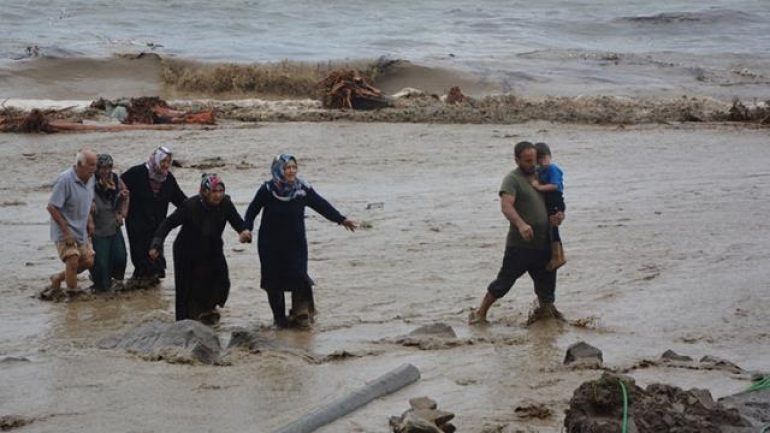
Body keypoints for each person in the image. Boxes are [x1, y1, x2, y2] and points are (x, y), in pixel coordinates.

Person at [244, 154, 357, 328]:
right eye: (287, 168)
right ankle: (279, 320)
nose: (291, 171)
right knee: (273, 283)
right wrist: (247, 228)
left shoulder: (303, 189)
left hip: (295, 243)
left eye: (294, 167)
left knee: (298, 276)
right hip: (270, 244)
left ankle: (301, 313)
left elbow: (321, 205)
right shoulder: (267, 190)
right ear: (279, 169)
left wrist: (341, 219)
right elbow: (252, 210)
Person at [468, 141, 565, 325]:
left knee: (547, 287)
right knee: (504, 282)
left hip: (544, 243)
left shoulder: (542, 175)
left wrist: (559, 215)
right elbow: (506, 206)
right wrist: (521, 224)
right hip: (520, 244)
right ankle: (480, 313)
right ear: (517, 160)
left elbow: (554, 198)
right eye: (528, 161)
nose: (532, 164)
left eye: (534, 160)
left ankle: (547, 325)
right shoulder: (512, 179)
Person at [149, 173, 251, 324]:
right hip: (187, 251)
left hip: (213, 247)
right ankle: (183, 323)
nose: (218, 196)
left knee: (222, 280)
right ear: (205, 192)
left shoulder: (226, 204)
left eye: (220, 191)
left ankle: (209, 309)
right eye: (214, 192)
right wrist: (156, 244)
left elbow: (237, 221)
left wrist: (244, 232)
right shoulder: (191, 206)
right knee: (187, 289)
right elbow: (168, 223)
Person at [121, 146, 186, 288]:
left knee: (156, 262)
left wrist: (196, 209)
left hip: (158, 226)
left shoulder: (168, 179)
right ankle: (140, 289)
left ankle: (151, 300)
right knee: (141, 259)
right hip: (137, 224)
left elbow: (181, 200)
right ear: (156, 160)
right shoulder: (137, 173)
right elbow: (117, 186)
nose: (166, 165)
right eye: (163, 161)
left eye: (168, 162)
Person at [47, 149, 97, 292]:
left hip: (80, 228)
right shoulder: (65, 180)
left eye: (95, 165)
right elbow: (52, 207)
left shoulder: (91, 178)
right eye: (91, 165)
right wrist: (66, 232)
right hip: (64, 229)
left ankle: (58, 277)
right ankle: (73, 295)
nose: (94, 169)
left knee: (88, 261)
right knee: (73, 260)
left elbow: (88, 201)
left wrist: (90, 221)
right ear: (79, 165)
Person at [89, 154, 129, 291]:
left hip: (114, 226)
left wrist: (122, 213)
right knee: (101, 264)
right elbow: (79, 199)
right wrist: (89, 203)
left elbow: (126, 195)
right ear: (97, 168)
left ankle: (116, 284)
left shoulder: (116, 179)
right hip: (98, 230)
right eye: (102, 168)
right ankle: (101, 290)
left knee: (120, 258)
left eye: (109, 167)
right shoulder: (89, 182)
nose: (106, 171)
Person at [531, 142, 566, 271]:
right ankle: (556, 255)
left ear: (550, 156)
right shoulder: (539, 170)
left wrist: (539, 187)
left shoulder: (552, 169)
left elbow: (555, 185)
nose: (543, 161)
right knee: (550, 227)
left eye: (545, 158)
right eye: (540, 159)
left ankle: (558, 256)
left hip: (555, 199)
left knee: (553, 226)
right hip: (548, 200)